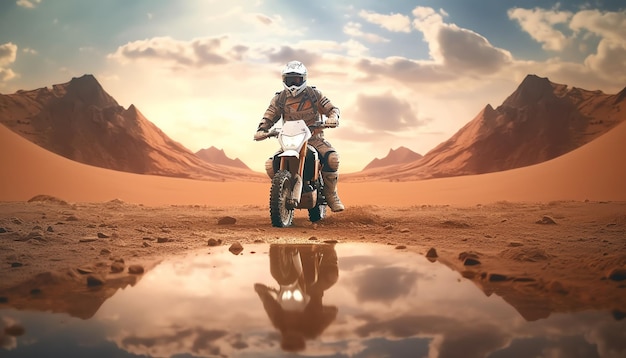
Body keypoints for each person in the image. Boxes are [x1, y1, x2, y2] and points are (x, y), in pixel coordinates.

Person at [254, 60, 344, 212]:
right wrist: (263, 129)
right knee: (270, 164)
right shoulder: (280, 99)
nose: (294, 83)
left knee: (332, 158)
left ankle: (331, 194)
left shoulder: (314, 95)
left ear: (304, 79)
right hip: (290, 140)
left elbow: (332, 109)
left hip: (314, 139)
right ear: (284, 80)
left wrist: (332, 118)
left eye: (297, 79)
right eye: (290, 79)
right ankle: (282, 190)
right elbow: (269, 116)